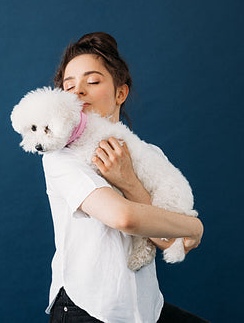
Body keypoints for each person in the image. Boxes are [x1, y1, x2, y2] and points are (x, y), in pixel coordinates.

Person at [43, 32, 208, 322]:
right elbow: (124, 218)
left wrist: (129, 181)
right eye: (68, 86)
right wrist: (195, 227)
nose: (78, 91)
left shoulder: (150, 155)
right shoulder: (61, 157)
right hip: (86, 309)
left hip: (146, 310)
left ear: (121, 93)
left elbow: (169, 242)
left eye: (92, 81)